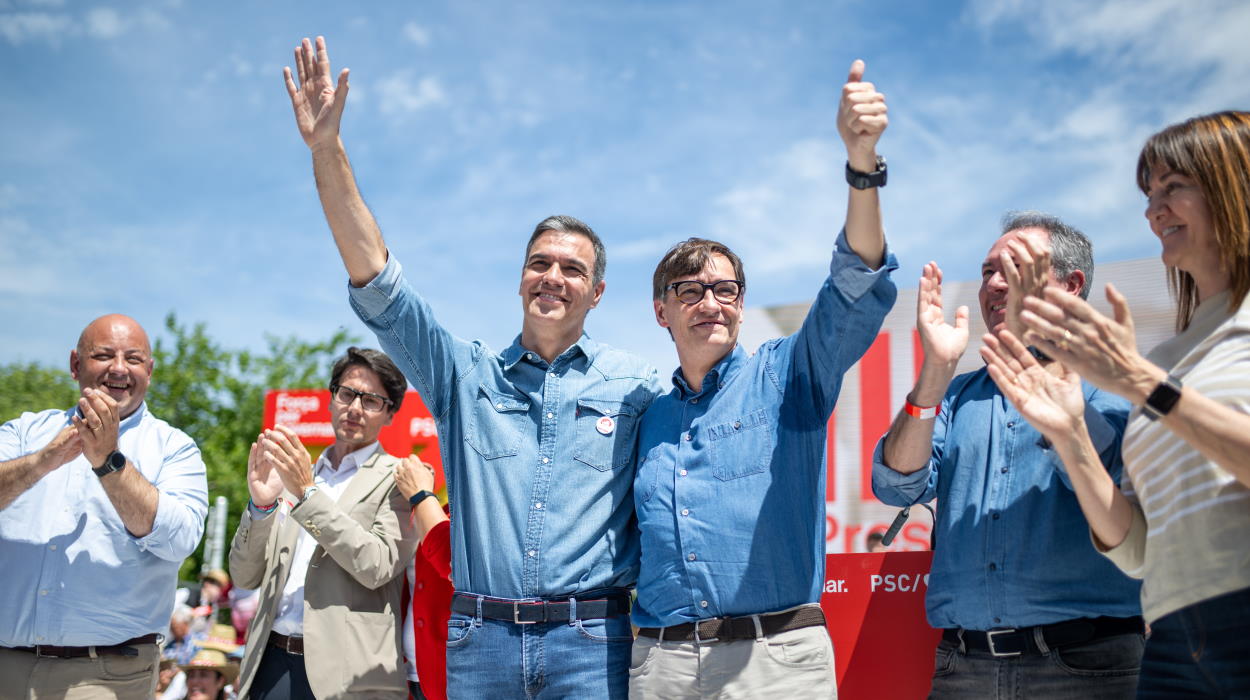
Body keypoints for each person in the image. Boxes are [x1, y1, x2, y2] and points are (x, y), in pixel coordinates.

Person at [282, 36, 663, 698]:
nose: (553, 277)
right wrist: (326, 149)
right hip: (478, 642)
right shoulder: (464, 375)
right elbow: (377, 280)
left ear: (597, 293)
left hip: (594, 644)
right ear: (520, 280)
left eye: (572, 269)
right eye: (539, 263)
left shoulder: (637, 387)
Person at [628, 60, 894, 699]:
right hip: (661, 667)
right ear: (660, 311)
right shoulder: (645, 417)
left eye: (726, 289)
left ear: (742, 304)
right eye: (689, 290)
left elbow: (855, 285)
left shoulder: (790, 374)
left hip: (777, 664)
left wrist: (862, 167)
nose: (710, 303)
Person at [983, 110, 1250, 698]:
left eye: (1175, 186)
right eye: (1150, 192)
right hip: (1176, 644)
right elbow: (1138, 554)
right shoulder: (1176, 354)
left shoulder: (1152, 375)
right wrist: (1071, 437)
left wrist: (1142, 385)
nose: (1154, 210)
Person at [872, 212, 1145, 698]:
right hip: (964, 666)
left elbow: (1123, 510)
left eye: (1013, 269)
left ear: (1071, 285)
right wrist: (936, 370)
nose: (994, 284)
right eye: (986, 272)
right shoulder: (955, 396)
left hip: (1087, 668)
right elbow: (895, 485)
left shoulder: (1113, 382)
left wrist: (1061, 418)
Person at [0, 314, 209, 699]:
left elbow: (179, 541)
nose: (118, 369)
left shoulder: (175, 448)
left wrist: (110, 461)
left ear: (149, 370)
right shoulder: (25, 433)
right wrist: (40, 463)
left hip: (105, 676)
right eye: (103, 355)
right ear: (76, 365)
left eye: (132, 359)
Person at [228, 347, 419, 699]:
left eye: (372, 400)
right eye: (347, 394)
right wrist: (261, 506)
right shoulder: (293, 476)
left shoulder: (400, 479)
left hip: (349, 678)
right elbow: (244, 576)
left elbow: (377, 565)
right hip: (268, 664)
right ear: (331, 399)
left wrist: (307, 494)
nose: (355, 408)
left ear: (390, 414)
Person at [393, 456, 453, 700]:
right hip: (410, 678)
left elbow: (450, 561)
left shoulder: (482, 519)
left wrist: (421, 495)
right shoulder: (431, 511)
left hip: (450, 682)